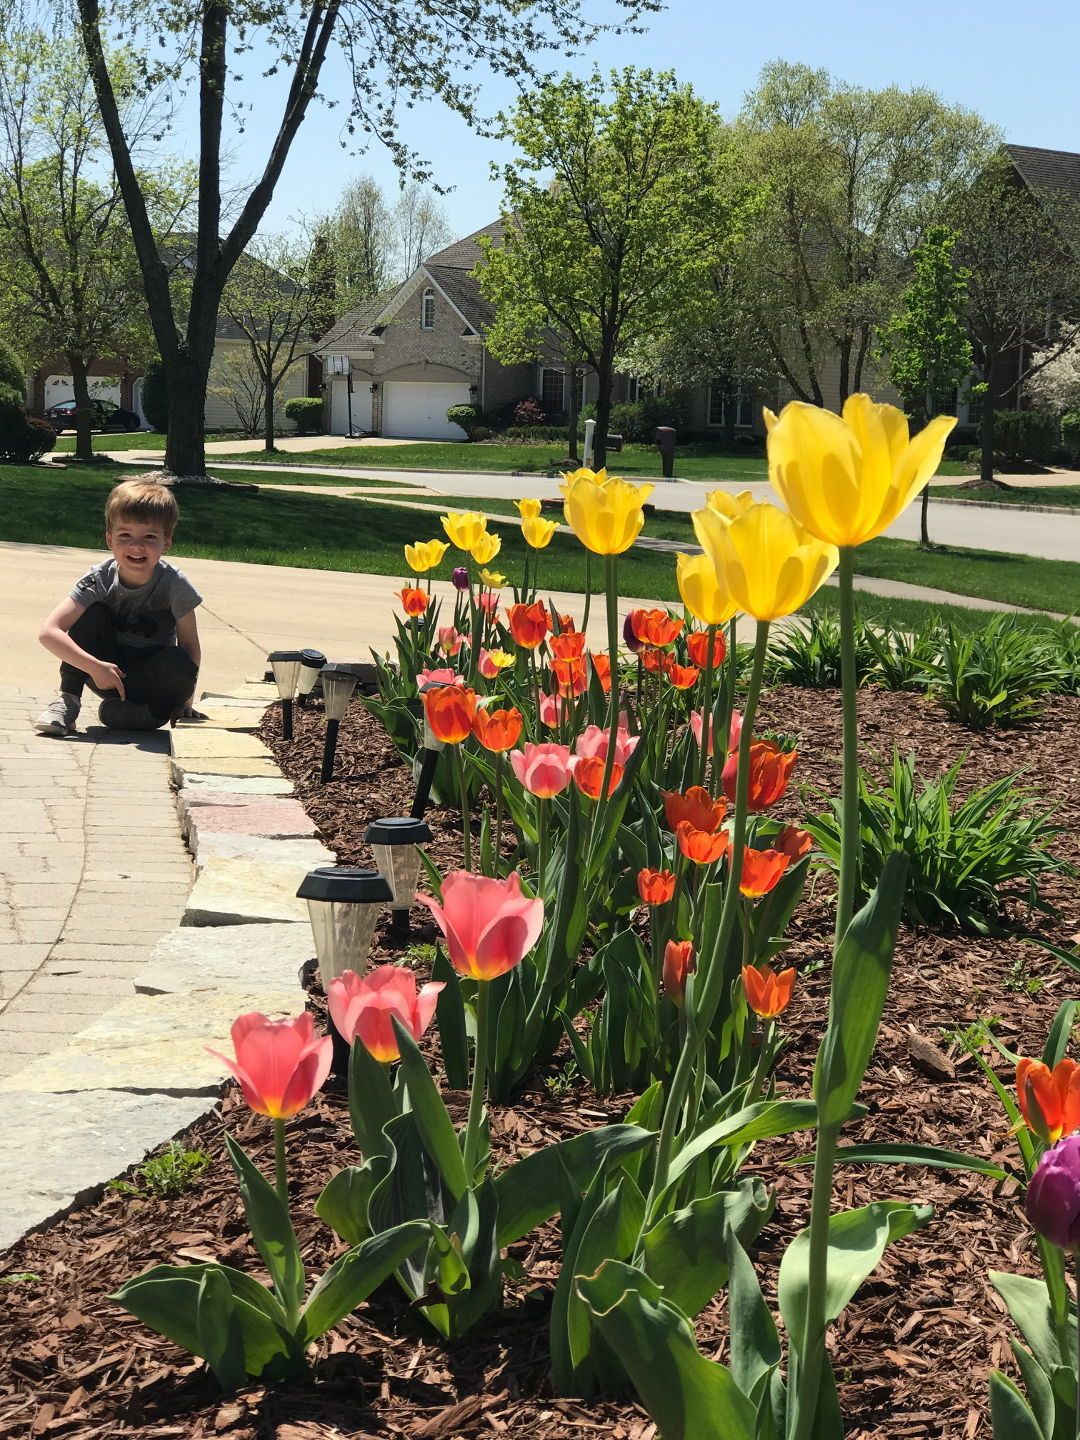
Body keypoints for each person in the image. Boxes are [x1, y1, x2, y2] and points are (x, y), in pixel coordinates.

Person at [34, 476, 202, 737]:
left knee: (180, 659)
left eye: (149, 536)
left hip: (152, 680)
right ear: (110, 539)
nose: (137, 545)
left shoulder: (175, 584)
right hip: (104, 674)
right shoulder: (98, 578)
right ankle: (67, 701)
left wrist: (184, 703)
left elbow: (190, 646)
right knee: (91, 614)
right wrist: (94, 667)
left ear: (166, 542)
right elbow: (49, 632)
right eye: (125, 535)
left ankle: (150, 715)